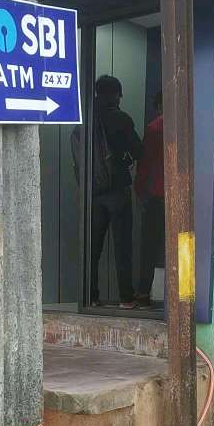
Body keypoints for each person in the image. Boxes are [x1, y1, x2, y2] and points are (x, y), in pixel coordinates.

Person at [89, 75, 143, 309]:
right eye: (119, 94)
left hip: (93, 193)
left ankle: (90, 296)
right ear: (114, 95)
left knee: (92, 248)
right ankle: (126, 298)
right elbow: (139, 150)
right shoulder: (121, 119)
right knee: (122, 246)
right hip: (118, 190)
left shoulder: (87, 119)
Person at [135, 92, 165, 306]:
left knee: (150, 247)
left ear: (159, 105)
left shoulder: (154, 128)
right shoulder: (188, 126)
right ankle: (181, 297)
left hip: (156, 195)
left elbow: (145, 165)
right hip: (180, 197)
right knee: (181, 245)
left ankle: (144, 293)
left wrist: (139, 191)